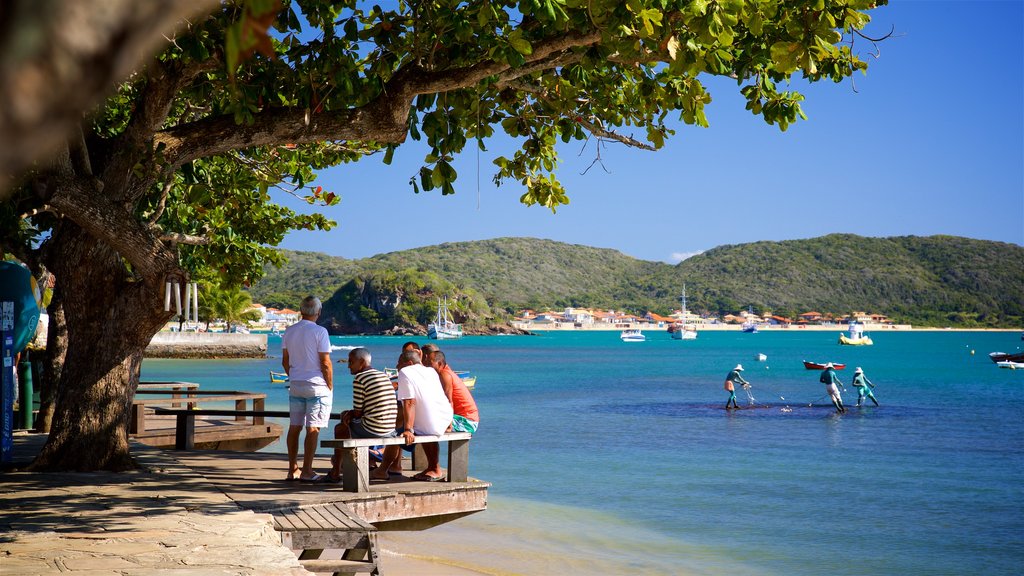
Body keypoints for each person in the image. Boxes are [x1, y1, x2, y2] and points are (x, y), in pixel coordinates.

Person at [373, 350, 453, 482]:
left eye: (399, 363)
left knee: (395, 433)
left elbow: (409, 402)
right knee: (422, 426)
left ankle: (382, 470)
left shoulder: (406, 372)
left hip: (431, 424)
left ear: (409, 363)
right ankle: (433, 467)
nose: (397, 367)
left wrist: (408, 429)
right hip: (445, 418)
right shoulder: (430, 371)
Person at [326, 348, 399, 483]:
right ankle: (357, 463)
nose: (348, 365)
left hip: (373, 428)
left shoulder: (360, 378)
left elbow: (358, 412)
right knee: (348, 423)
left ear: (361, 362)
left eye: (351, 362)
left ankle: (335, 472)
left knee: (340, 429)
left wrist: (348, 414)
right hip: (389, 429)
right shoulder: (382, 375)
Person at [281, 296, 333, 482]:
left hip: (296, 384)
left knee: (294, 427)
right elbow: (325, 362)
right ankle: (307, 470)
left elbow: (285, 361)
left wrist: (293, 375)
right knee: (313, 428)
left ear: (301, 310)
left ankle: (292, 469)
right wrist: (330, 385)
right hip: (316, 386)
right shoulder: (320, 332)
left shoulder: (289, 331)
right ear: (318, 312)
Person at [430, 349, 479, 433]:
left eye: (429, 363)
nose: (427, 366)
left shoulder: (444, 374)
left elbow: (449, 401)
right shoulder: (446, 372)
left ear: (440, 364)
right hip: (462, 418)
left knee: (424, 420)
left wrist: (449, 424)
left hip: (467, 423)